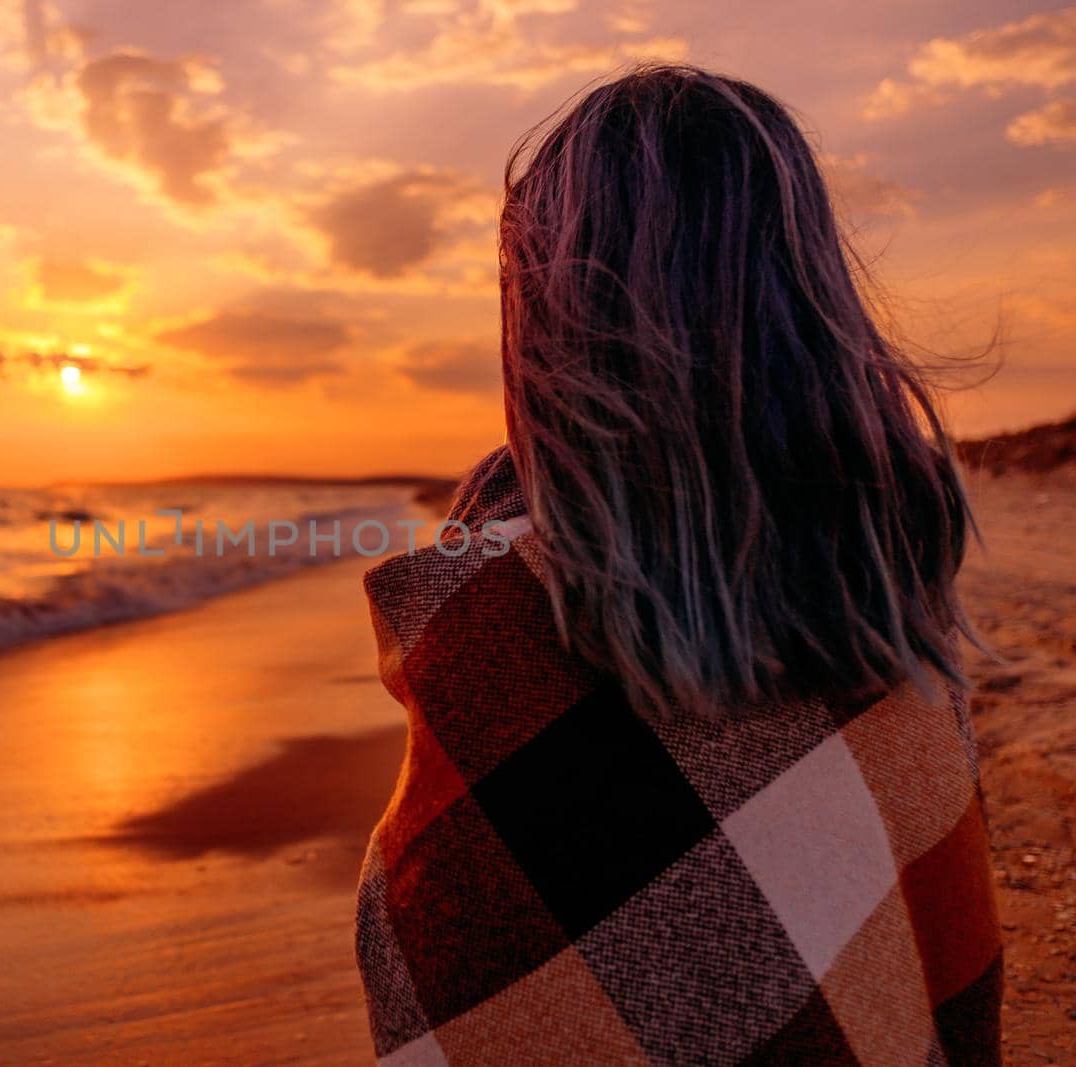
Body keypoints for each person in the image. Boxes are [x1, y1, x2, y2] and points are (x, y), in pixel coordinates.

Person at [354, 64, 1002, 1066]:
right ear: (805, 289)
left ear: (544, 318)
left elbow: (444, 972)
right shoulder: (883, 579)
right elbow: (949, 979)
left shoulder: (483, 624)